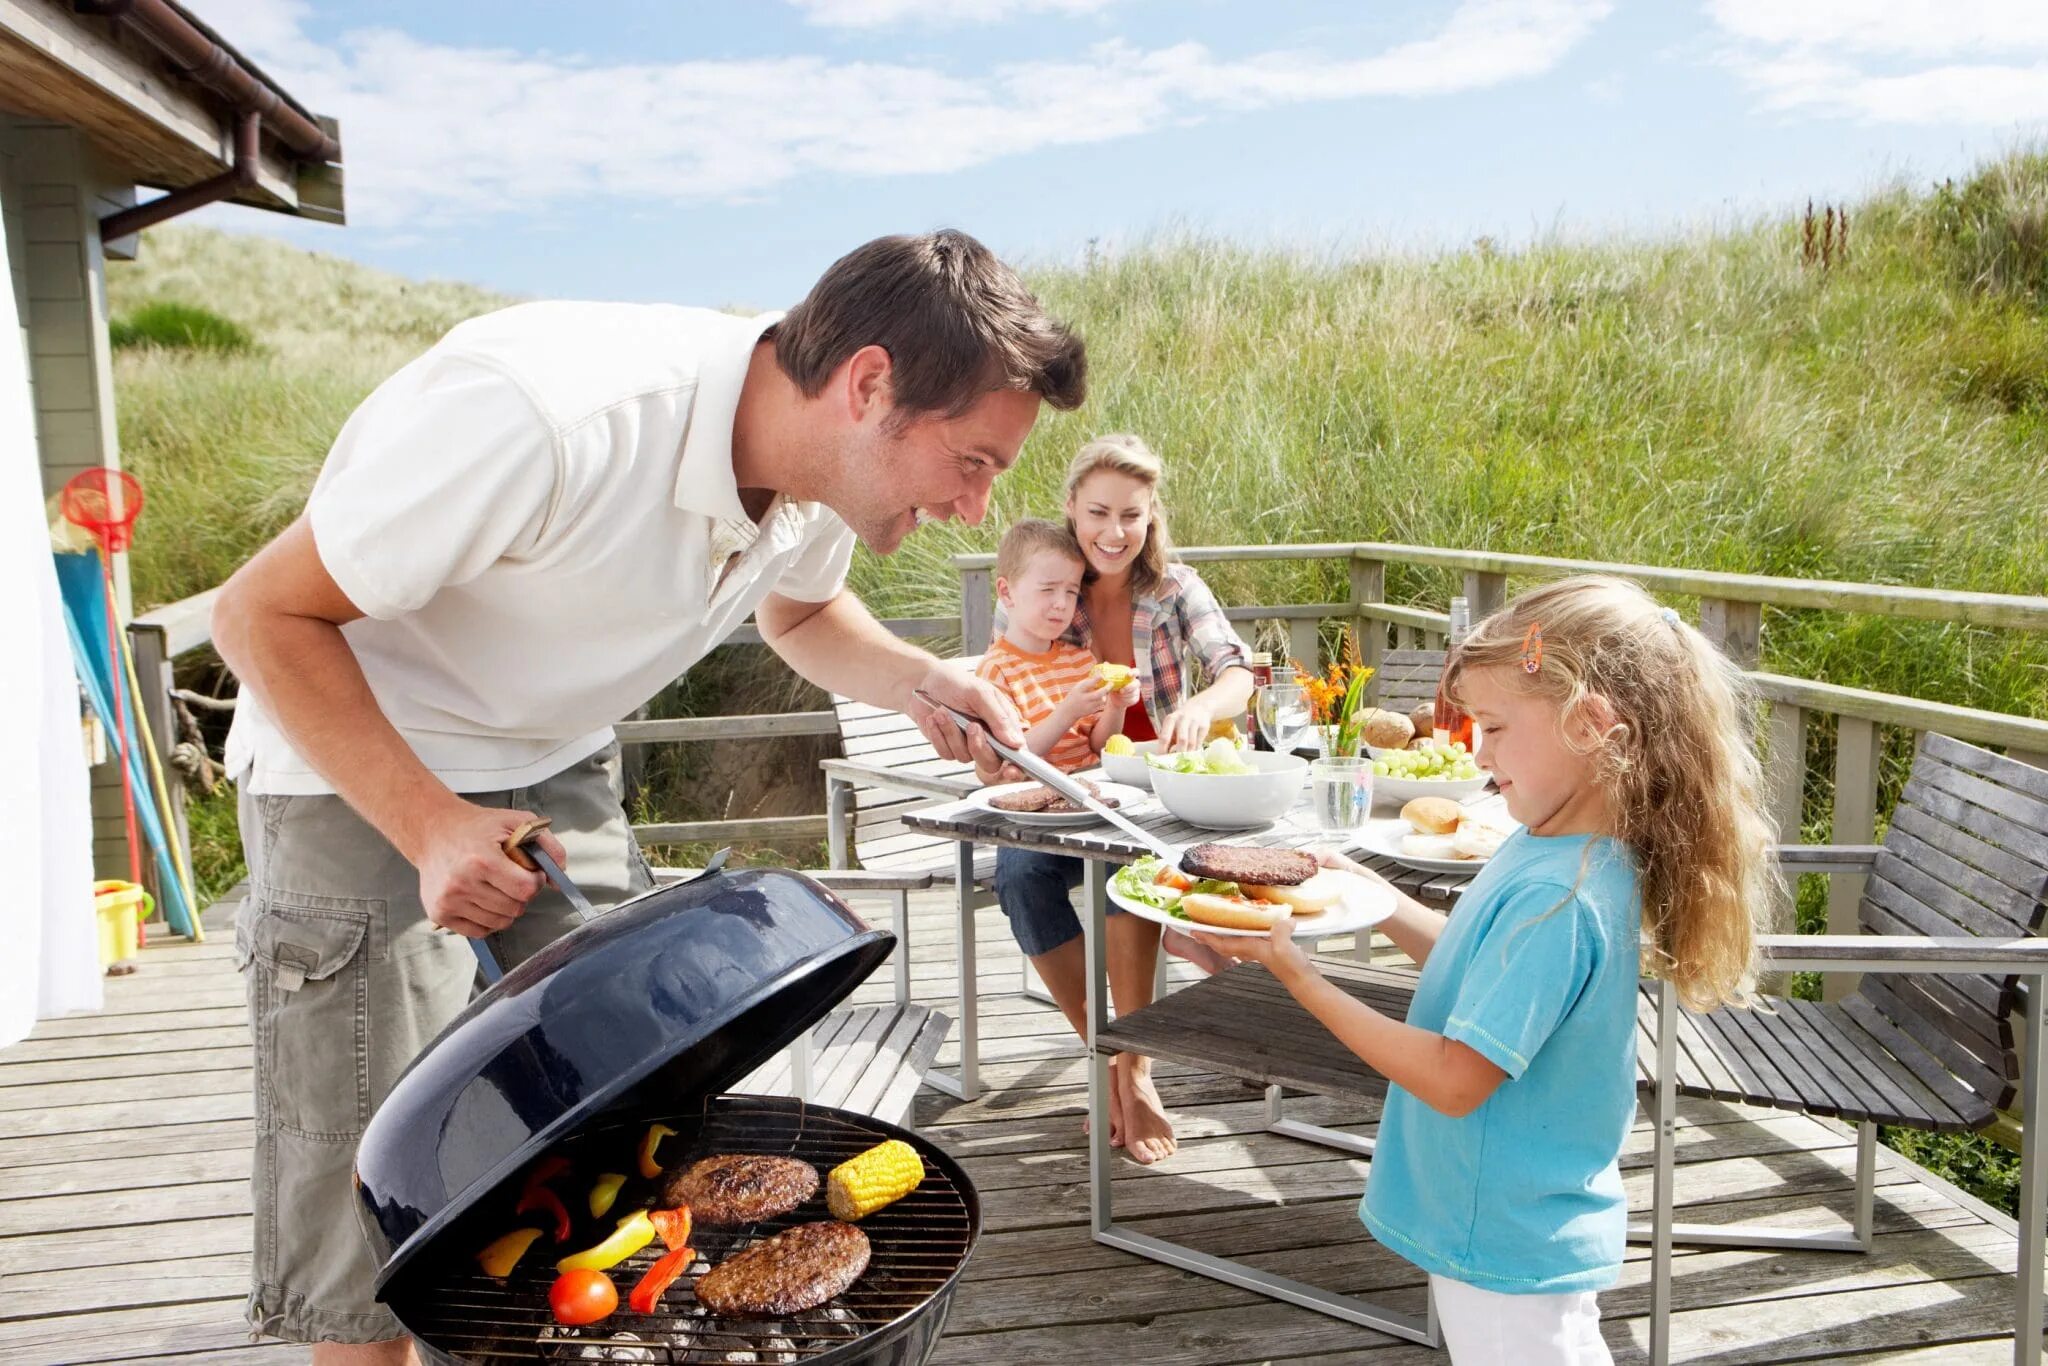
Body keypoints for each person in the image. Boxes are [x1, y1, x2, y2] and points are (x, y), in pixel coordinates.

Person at [210, 230, 1085, 1363]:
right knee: (373, 1217)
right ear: (869, 386)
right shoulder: (544, 418)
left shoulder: (814, 469)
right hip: (361, 769)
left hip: (556, 764)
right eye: (972, 462)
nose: (975, 508)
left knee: (614, 1138)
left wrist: (922, 678)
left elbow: (803, 615)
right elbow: (257, 616)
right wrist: (427, 821)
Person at [1194, 575, 1774, 1364]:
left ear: (1592, 725)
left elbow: (1454, 1078)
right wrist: (1380, 897)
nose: (1477, 751)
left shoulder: (1558, 896)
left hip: (1505, 1234)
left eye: (1496, 727)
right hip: (1515, 1221)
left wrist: (1298, 975)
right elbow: (1478, 969)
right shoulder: (1557, 847)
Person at [981, 434, 1255, 1164]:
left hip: (1157, 802)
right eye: (1098, 511)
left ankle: (1136, 1067)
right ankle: (1107, 1053)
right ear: (1071, 508)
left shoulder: (1174, 588)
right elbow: (1007, 704)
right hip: (1075, 804)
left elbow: (1237, 671)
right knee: (1016, 874)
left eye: (1131, 515)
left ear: (1150, 515)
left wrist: (1201, 708)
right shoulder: (1049, 588)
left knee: (1121, 874)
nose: (1113, 532)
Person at [974, 519, 1141, 772]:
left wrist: (1117, 707)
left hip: (1095, 786)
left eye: (1071, 592)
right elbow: (1010, 754)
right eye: (1048, 589)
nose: (1062, 603)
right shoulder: (996, 671)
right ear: (1007, 593)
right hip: (1037, 796)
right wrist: (1068, 712)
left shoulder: (1081, 660)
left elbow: (1099, 746)